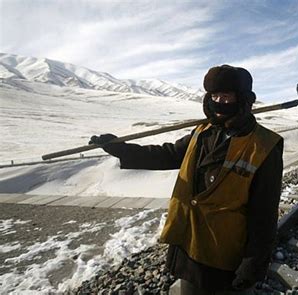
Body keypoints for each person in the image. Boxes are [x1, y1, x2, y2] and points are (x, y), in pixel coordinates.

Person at [89, 65, 283, 294]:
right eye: (214, 95)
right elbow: (167, 154)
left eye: (226, 96)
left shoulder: (264, 145)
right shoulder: (203, 132)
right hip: (189, 241)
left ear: (242, 99)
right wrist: (122, 149)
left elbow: (264, 213)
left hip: (225, 250)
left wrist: (253, 263)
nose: (219, 102)